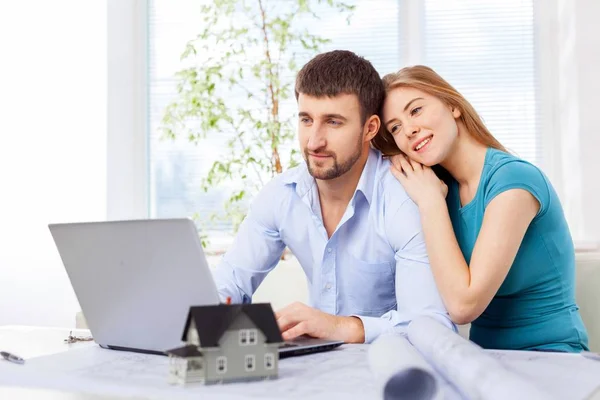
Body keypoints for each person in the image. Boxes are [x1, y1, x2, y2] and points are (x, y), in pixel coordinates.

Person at [213, 51, 453, 344]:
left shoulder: (404, 197)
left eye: (334, 122)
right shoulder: (282, 194)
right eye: (306, 119)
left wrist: (341, 328)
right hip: (316, 370)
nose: (314, 141)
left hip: (392, 371)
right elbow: (229, 282)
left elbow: (430, 323)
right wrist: (207, 316)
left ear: (370, 128)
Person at [373, 65, 589, 352]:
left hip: (553, 357)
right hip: (484, 362)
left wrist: (430, 202)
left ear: (453, 106)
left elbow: (464, 306)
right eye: (395, 128)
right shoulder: (440, 189)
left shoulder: (512, 181)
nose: (409, 130)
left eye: (415, 111)